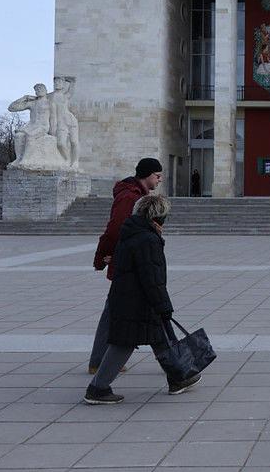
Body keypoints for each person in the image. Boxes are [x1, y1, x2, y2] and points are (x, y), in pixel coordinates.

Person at [85, 194, 201, 404]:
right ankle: (98, 388)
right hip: (137, 300)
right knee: (124, 343)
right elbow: (152, 278)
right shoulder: (148, 239)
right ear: (158, 217)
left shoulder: (132, 231)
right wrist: (163, 305)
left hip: (128, 296)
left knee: (160, 337)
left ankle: (178, 377)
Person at [88, 157, 164, 373]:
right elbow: (115, 229)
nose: (159, 180)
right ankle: (100, 363)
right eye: (157, 176)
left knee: (114, 309)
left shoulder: (138, 196)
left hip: (130, 260)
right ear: (147, 175)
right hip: (129, 263)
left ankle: (100, 360)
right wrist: (102, 257)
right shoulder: (129, 197)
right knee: (116, 310)